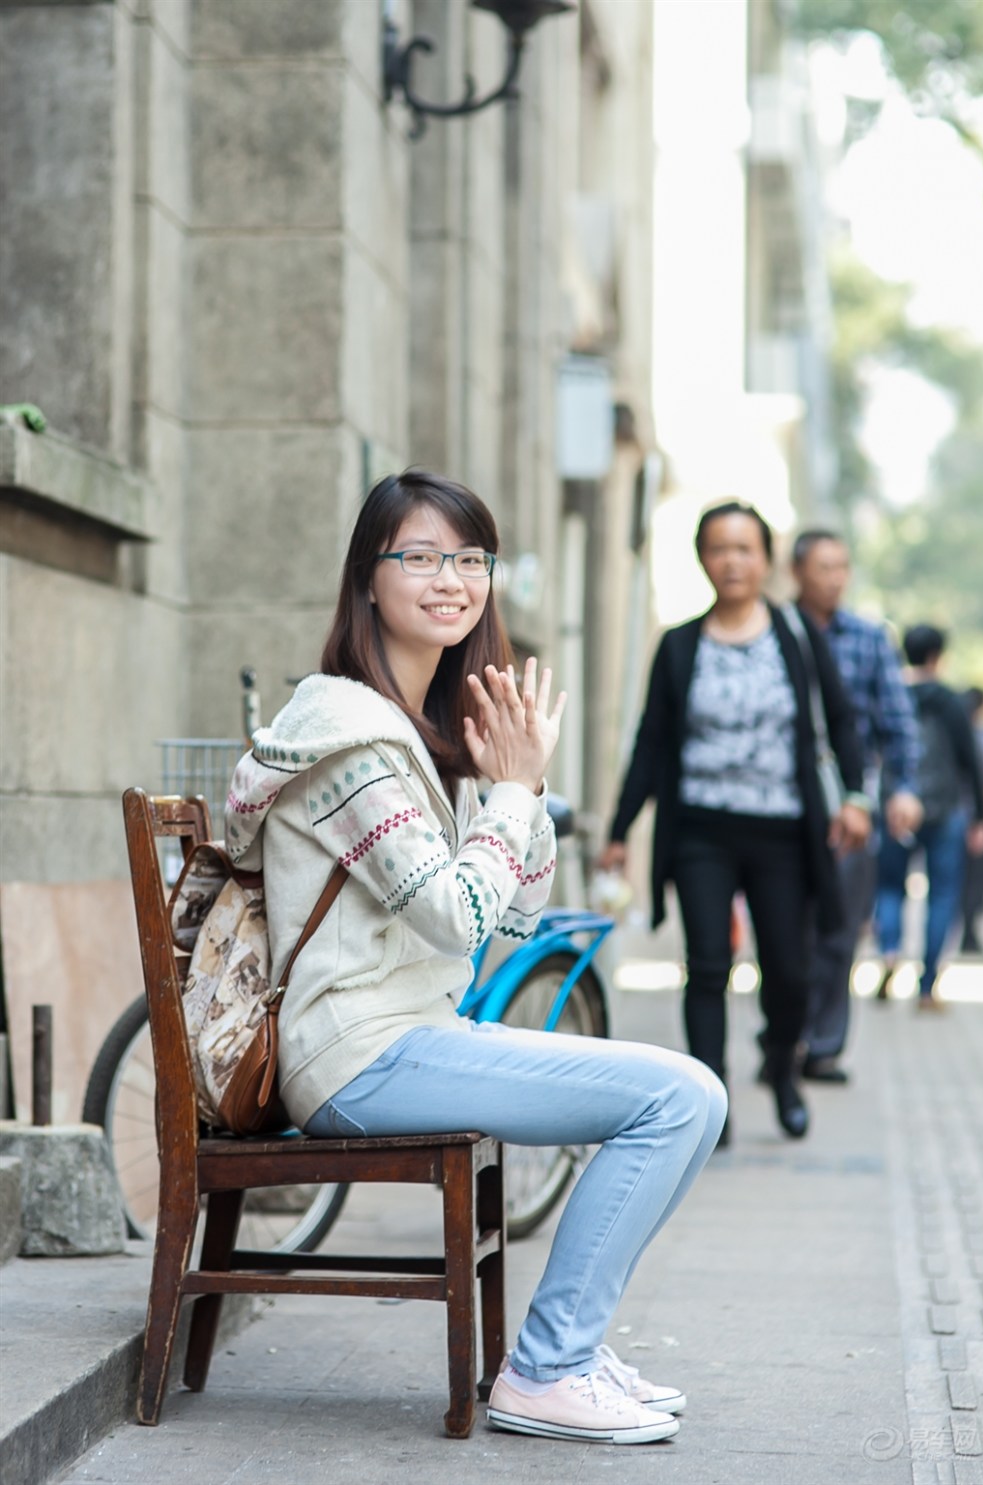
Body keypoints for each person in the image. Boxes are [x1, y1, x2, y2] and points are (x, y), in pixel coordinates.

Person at [224, 470, 726, 1447]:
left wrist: (520, 787)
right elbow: (457, 916)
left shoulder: (410, 729)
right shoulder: (348, 739)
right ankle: (548, 1367)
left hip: (408, 1039)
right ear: (367, 581)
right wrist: (512, 791)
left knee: (687, 1098)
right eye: (418, 556)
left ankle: (565, 1349)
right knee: (680, 1097)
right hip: (360, 1054)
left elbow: (517, 913)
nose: (450, 578)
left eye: (469, 558)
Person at [600, 502, 868, 1145]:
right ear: (703, 559)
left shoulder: (796, 636)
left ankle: (782, 1070)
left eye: (745, 549)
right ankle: (711, 1100)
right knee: (709, 963)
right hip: (702, 831)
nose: (733, 561)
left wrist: (855, 796)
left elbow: (842, 718)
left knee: (790, 971)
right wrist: (618, 830)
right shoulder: (680, 644)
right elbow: (652, 743)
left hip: (783, 831)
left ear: (767, 559)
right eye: (720, 548)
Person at [790, 530, 921, 1078]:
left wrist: (904, 787)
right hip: (785, 806)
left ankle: (823, 1046)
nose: (836, 578)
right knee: (786, 929)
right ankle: (786, 1035)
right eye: (824, 567)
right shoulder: (778, 629)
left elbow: (896, 722)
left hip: (852, 805)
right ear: (798, 572)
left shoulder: (869, 640)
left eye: (843, 566)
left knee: (839, 928)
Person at [874, 626, 983, 1008]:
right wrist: (980, 815)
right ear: (937, 655)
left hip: (896, 807)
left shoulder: (892, 694)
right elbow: (970, 760)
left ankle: (890, 951)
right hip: (944, 809)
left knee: (890, 887)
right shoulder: (950, 700)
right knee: (942, 895)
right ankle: (926, 985)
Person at [960, 687, 983, 953]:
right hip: (978, 817)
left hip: (956, 815)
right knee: (975, 880)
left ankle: (966, 931)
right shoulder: (981, 738)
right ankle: (968, 933)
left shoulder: (954, 734)